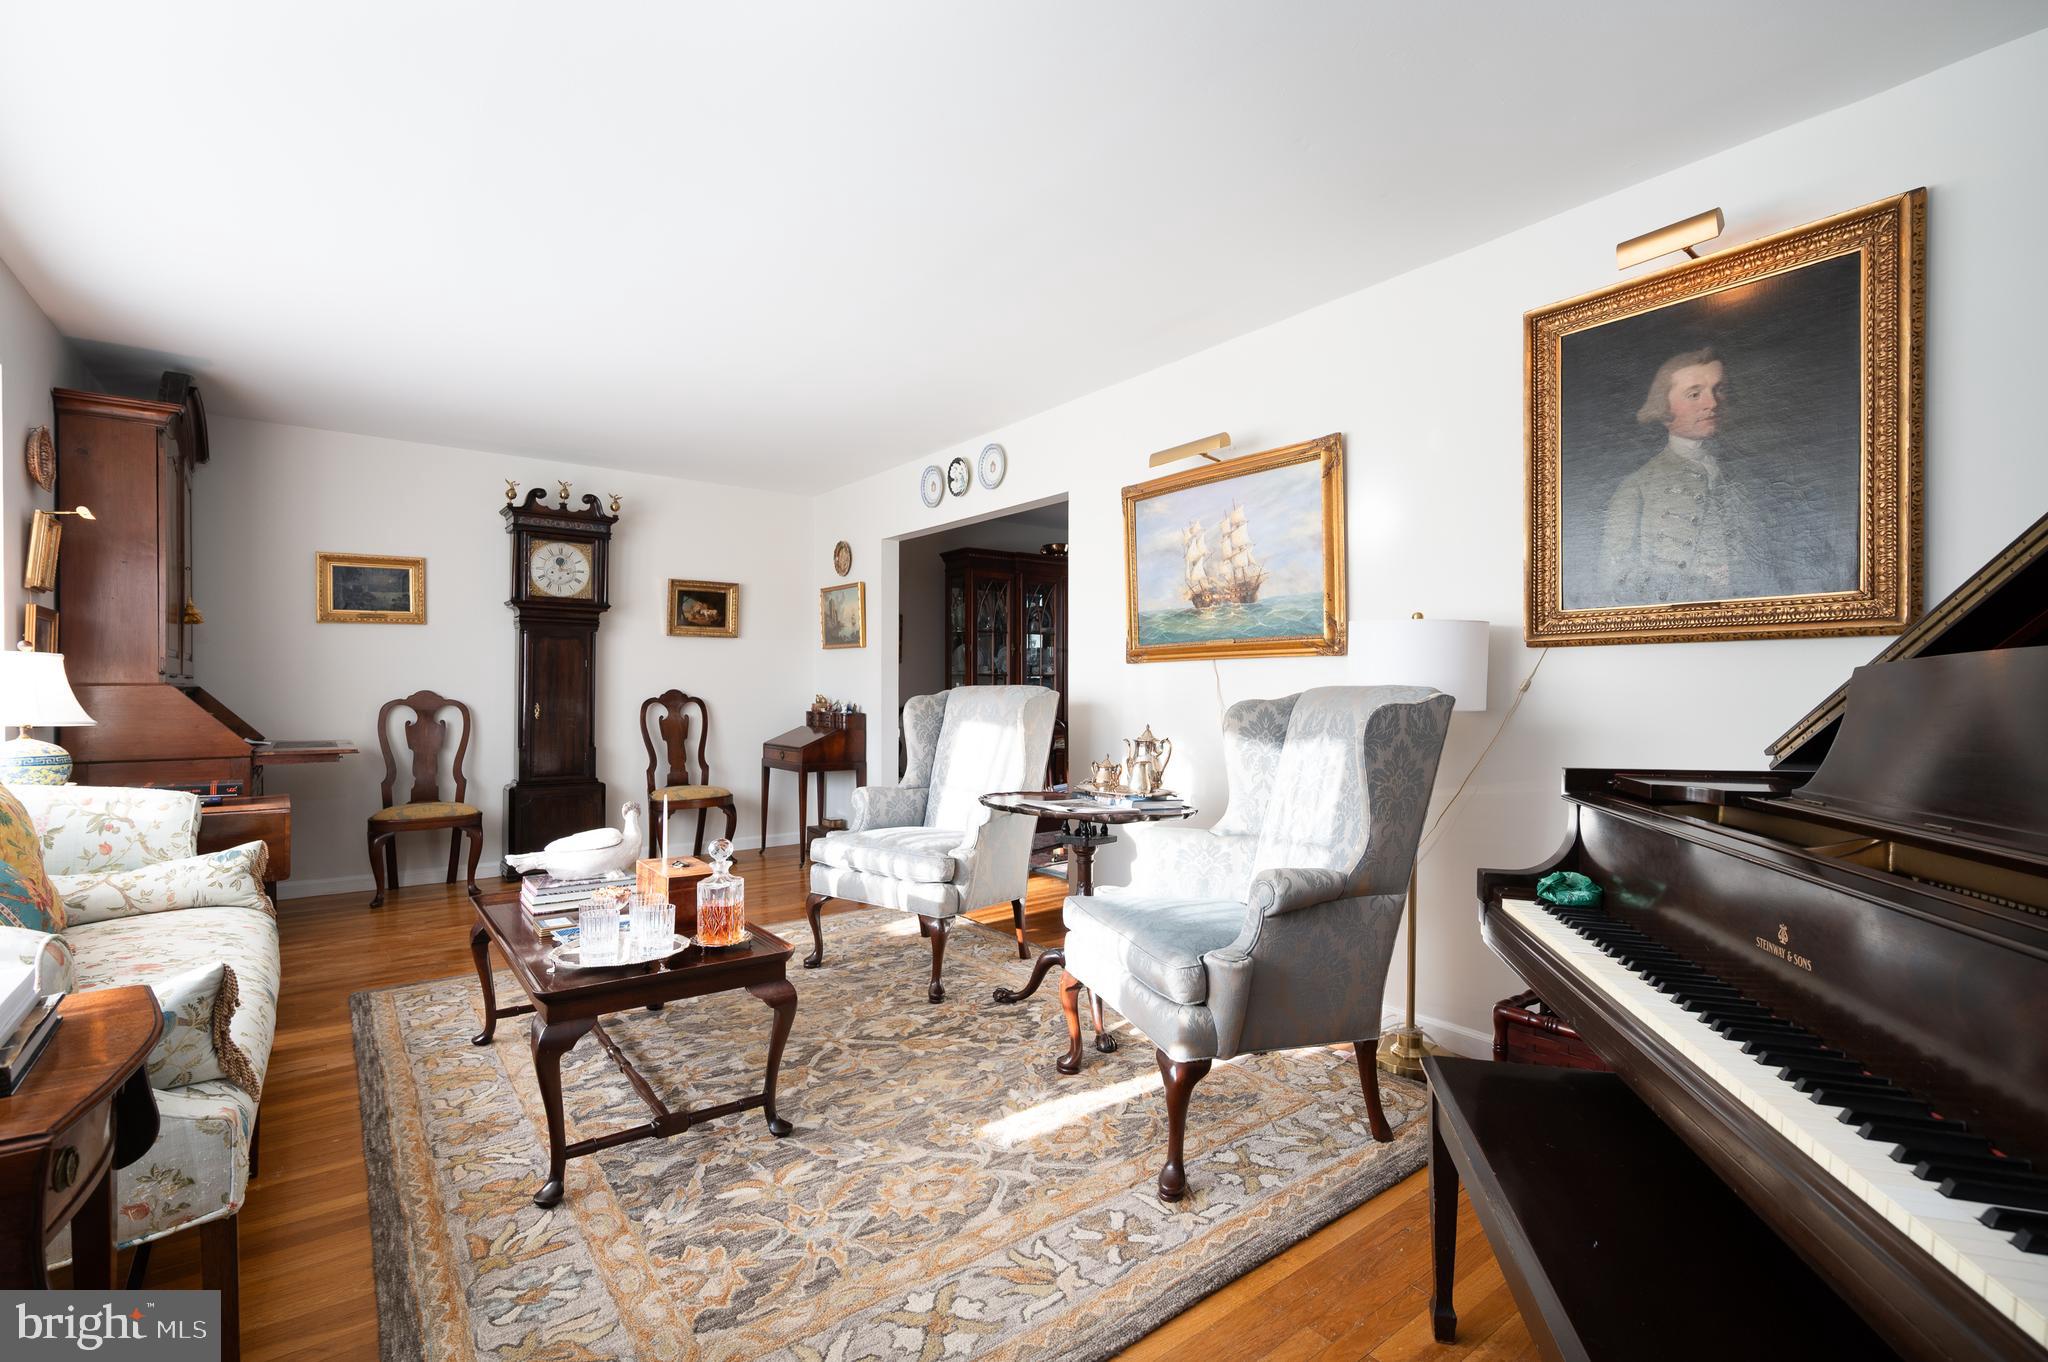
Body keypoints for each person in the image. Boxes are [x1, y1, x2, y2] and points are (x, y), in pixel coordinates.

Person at [1596, 347, 1774, 606]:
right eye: (1694, 394)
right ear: (1664, 406)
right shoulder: (1638, 486)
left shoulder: (1748, 475)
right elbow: (1614, 578)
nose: (1712, 403)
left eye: (1719, 390)